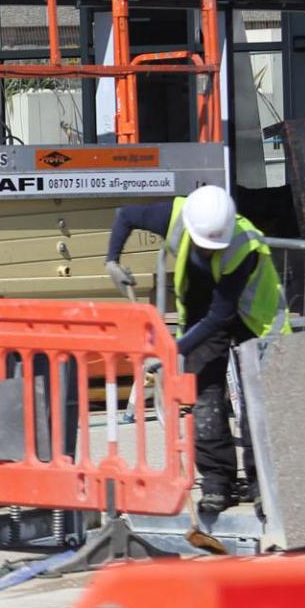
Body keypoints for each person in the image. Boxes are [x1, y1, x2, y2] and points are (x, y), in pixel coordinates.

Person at [105, 184, 286, 517]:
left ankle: (265, 485)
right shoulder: (175, 216)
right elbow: (125, 215)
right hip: (204, 312)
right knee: (203, 396)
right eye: (203, 247)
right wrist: (112, 261)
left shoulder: (243, 245)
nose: (206, 252)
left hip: (252, 318)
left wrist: (170, 350)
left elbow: (222, 315)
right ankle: (218, 483)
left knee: (258, 403)